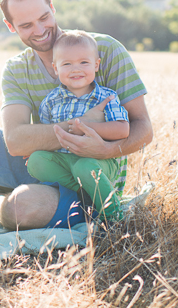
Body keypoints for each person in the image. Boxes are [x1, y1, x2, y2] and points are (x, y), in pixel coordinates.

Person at [0, 0, 153, 231]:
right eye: (26, 25)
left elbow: (143, 128)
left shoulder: (104, 50)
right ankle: (14, 187)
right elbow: (15, 142)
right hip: (44, 163)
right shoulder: (16, 69)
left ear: (52, 7)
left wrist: (105, 150)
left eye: (44, 17)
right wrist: (83, 125)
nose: (40, 30)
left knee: (17, 209)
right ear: (10, 26)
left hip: (92, 174)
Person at [27, 30, 130, 221]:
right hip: (66, 162)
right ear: (56, 68)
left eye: (84, 62)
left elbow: (123, 130)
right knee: (35, 161)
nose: (76, 69)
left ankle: (115, 216)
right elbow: (46, 137)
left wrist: (84, 126)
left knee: (84, 167)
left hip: (99, 161)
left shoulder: (106, 97)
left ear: (96, 65)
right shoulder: (50, 102)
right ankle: (86, 195)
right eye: (67, 64)